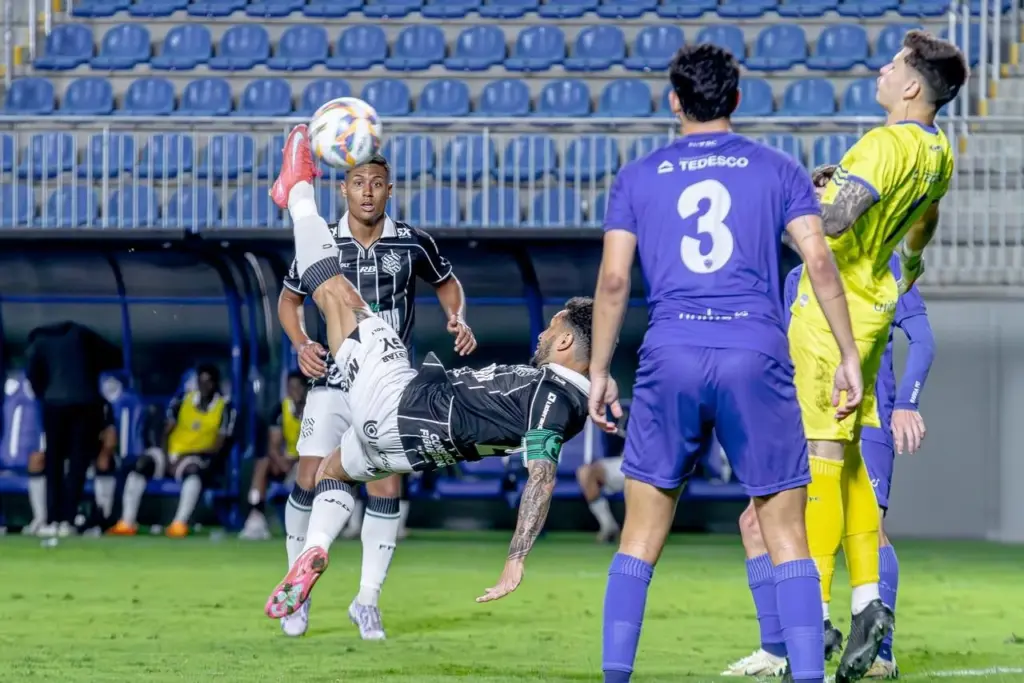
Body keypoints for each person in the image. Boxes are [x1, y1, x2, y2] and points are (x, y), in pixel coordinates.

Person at [588, 43, 864, 683]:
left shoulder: (638, 176)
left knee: (639, 537)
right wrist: (848, 355)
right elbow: (820, 263)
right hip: (754, 354)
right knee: (787, 534)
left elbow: (613, 281)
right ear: (736, 99)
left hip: (671, 354)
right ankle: (807, 675)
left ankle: (615, 677)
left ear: (674, 101)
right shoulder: (778, 168)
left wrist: (599, 370)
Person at [260, 125, 597, 621]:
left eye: (552, 328)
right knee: (332, 470)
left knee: (336, 293)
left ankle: (298, 191)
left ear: (566, 342)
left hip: (400, 403)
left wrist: (516, 558)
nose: (543, 334)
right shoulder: (570, 402)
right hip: (410, 450)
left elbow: (542, 478)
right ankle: (316, 548)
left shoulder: (554, 398)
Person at [786, 30, 964, 681]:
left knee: (821, 461)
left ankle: (810, 617)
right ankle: (868, 602)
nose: (882, 71)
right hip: (874, 310)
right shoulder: (938, 150)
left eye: (893, 65)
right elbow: (924, 219)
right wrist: (909, 267)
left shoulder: (883, 143)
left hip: (830, 310)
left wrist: (796, 197)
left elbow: (833, 223)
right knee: (854, 460)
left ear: (912, 85)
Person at [723, 166, 937, 679]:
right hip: (802, 421)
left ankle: (878, 651)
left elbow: (923, 339)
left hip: (863, 419)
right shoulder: (795, 279)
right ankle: (779, 648)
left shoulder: (877, 262)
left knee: (868, 530)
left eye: (822, 198)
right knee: (755, 524)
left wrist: (906, 403)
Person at [267, 152, 476, 639]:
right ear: (343, 189)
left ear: (389, 190)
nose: (367, 191)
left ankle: (367, 600)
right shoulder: (323, 242)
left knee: (385, 485)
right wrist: (301, 344)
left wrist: (457, 317)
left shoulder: (413, 242)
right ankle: (298, 590)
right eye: (358, 182)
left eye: (376, 183)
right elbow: (289, 299)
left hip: (387, 386)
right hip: (332, 380)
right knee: (308, 476)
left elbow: (447, 283)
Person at [109, 364, 237, 538]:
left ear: (216, 383)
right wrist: (166, 456)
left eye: (209, 382)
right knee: (142, 464)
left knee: (194, 472)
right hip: (170, 453)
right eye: (201, 381)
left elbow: (219, 444)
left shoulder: (225, 408)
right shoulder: (183, 400)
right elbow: (166, 431)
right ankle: (127, 522)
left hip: (195, 456)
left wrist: (191, 454)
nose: (204, 386)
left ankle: (179, 523)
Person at [25, 321, 122, 537]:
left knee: (54, 463)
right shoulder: (82, 334)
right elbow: (114, 356)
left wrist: (47, 394)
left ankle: (52, 518)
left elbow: (33, 374)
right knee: (78, 463)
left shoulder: (39, 341)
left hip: (54, 403)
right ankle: (68, 518)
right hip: (86, 403)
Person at [23, 401, 118, 537]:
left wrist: (104, 452)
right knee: (39, 462)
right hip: (62, 458)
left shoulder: (96, 405)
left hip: (87, 455)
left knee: (102, 461)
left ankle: (102, 520)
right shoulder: (54, 410)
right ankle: (43, 520)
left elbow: (110, 436)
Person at [239, 371, 308, 540]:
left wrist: (296, 460)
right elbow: (273, 445)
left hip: (308, 461)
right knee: (263, 464)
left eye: (298, 387)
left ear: (305, 389)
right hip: (288, 462)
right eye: (291, 387)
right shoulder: (280, 410)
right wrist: (282, 461)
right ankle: (255, 514)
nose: (295, 391)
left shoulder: (315, 409)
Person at [576, 405, 630, 543]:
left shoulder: (666, 414)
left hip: (652, 467)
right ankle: (608, 525)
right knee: (586, 473)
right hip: (624, 463)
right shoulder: (626, 414)